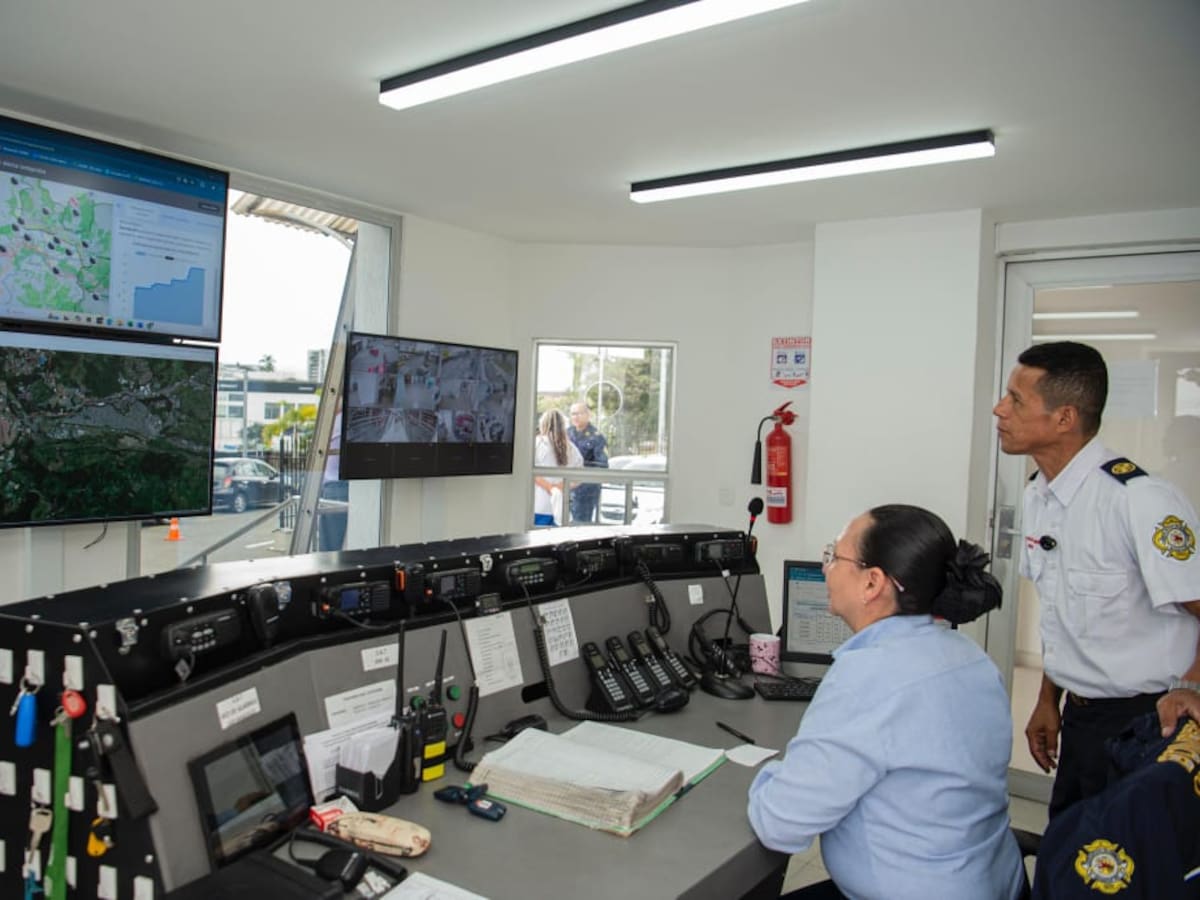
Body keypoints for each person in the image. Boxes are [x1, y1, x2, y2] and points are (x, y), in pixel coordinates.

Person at [747, 504, 1025, 900]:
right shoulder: (971, 657)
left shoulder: (870, 676)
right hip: (991, 882)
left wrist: (772, 775)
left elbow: (780, 823)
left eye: (835, 557)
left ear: (872, 582)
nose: (826, 568)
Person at [993, 341, 1200, 818]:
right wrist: (1049, 698)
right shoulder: (1038, 496)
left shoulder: (1138, 500)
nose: (999, 409)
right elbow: (1063, 610)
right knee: (1070, 845)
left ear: (1064, 418)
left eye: (1016, 400)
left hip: (1148, 722)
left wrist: (1191, 686)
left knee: (1125, 872)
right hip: (1082, 719)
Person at [533, 409, 582, 526]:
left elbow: (530, 472)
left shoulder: (537, 443)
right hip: (560, 508)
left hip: (538, 506)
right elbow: (578, 477)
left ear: (543, 424)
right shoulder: (571, 448)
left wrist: (550, 488)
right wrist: (559, 487)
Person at [567, 401, 608, 523]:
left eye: (579, 414)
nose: (576, 417)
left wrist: (581, 480)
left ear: (587, 415)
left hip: (586, 492)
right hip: (565, 489)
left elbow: (602, 466)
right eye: (573, 414)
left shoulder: (597, 437)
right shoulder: (566, 433)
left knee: (581, 528)